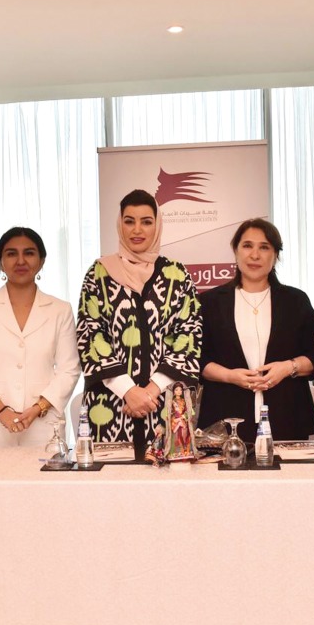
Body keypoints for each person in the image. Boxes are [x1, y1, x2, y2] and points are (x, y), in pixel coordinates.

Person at [76, 189, 202, 450]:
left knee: (170, 482)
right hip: (111, 404)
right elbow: (91, 335)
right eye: (129, 220)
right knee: (110, 484)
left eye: (146, 221)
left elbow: (187, 336)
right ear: (119, 224)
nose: (137, 229)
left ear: (157, 225)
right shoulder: (99, 273)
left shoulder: (176, 275)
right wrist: (129, 392)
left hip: (166, 403)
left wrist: (150, 392)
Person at [0, 227, 80, 447]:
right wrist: (1, 411)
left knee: (42, 480)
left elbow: (69, 369)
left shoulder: (60, 309)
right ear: (1, 262)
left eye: (29, 253)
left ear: (41, 261)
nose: (20, 260)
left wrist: (38, 409)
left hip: (43, 423)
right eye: (11, 253)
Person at [198, 219, 314, 443]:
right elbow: (197, 359)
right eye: (247, 246)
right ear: (235, 252)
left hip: (287, 416)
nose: (255, 255)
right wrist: (230, 376)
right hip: (224, 418)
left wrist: (288, 367)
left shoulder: (296, 301)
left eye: (264, 247)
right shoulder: (209, 302)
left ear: (276, 255)